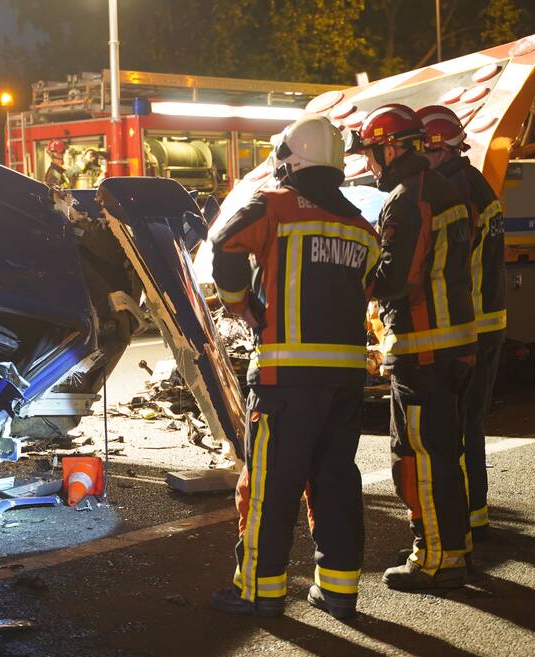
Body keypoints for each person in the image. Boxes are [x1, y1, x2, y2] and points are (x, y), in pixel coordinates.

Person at [209, 114, 379, 619]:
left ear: (290, 159)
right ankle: (339, 590)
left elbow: (224, 242)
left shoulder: (276, 205)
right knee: (336, 483)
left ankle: (259, 592)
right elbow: (366, 287)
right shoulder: (360, 225)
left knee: (271, 487)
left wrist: (240, 304)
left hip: (286, 378)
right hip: (347, 378)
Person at [352, 103, 477, 590]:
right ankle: (455, 542)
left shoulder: (408, 198)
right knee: (445, 453)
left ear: (391, 146)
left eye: (372, 153)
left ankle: (436, 560)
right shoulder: (442, 188)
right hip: (453, 343)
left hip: (423, 348)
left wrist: (357, 262)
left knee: (419, 454)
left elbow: (395, 279)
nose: (369, 164)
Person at [417, 105, 506, 542]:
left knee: (459, 425)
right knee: (469, 422)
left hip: (468, 322)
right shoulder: (474, 183)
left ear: (437, 149)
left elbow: (448, 259)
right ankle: (475, 514)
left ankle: (468, 519)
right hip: (486, 319)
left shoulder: (455, 189)